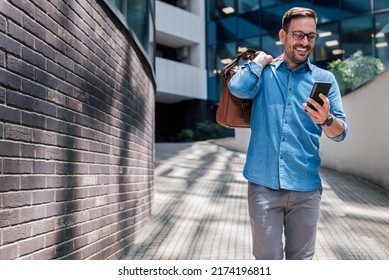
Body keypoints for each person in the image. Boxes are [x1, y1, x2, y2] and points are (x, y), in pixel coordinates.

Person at [228, 7, 348, 260]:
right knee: (267, 262)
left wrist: (325, 119)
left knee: (301, 263)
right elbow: (238, 89)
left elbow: (340, 134)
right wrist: (258, 62)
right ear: (282, 36)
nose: (305, 42)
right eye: (298, 35)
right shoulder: (264, 73)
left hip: (305, 187)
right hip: (263, 184)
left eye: (311, 36)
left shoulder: (324, 79)